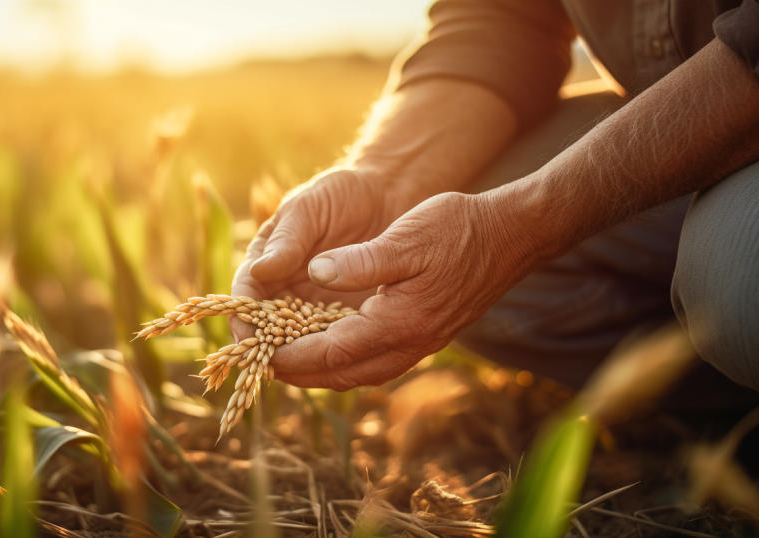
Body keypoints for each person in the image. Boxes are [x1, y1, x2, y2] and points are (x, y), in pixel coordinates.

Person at [231, 0, 759, 394]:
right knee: (447, 242)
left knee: (735, 291)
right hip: (674, 108)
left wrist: (517, 228)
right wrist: (389, 178)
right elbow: (502, 16)